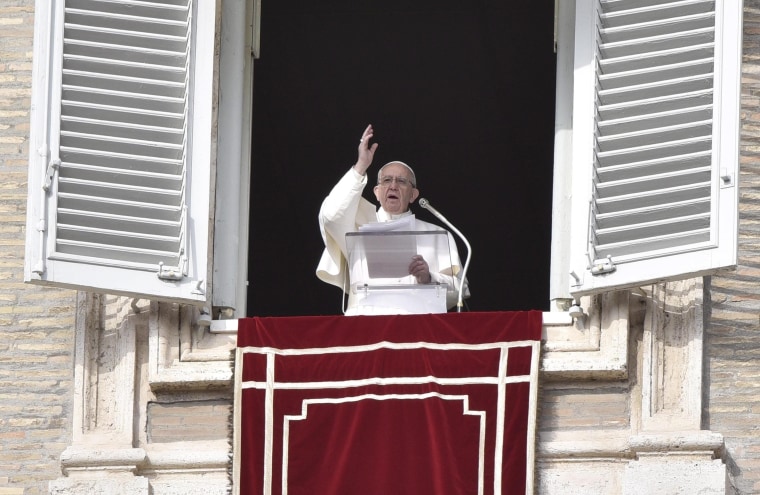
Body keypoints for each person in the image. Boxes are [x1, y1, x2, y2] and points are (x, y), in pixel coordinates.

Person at [316, 124, 469, 315]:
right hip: (366, 323)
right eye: (386, 181)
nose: (393, 186)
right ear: (377, 192)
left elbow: (460, 289)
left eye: (402, 181)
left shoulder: (438, 234)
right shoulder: (356, 227)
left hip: (418, 325)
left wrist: (428, 277)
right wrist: (361, 166)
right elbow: (331, 216)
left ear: (413, 195)